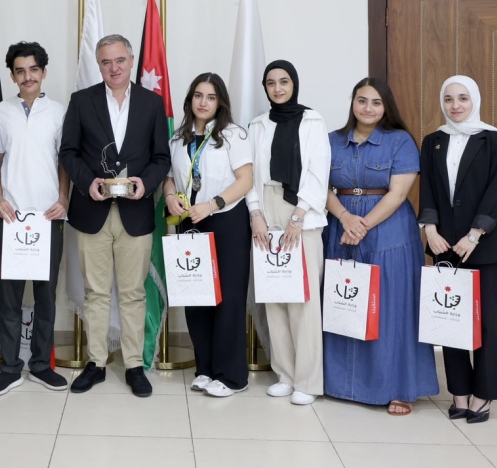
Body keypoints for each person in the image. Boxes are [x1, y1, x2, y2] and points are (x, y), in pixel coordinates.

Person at [59, 34, 171, 398]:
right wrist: (87, 181)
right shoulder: (81, 101)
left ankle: (134, 365)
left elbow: (162, 158)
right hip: (91, 210)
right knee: (95, 292)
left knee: (133, 292)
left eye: (120, 60)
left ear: (132, 60)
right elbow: (68, 152)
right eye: (106, 62)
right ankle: (96, 363)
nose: (114, 68)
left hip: (135, 213)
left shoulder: (152, 103)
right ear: (99, 64)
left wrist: (146, 183)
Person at [322, 78, 439, 415]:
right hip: (341, 227)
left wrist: (362, 226)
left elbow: (398, 194)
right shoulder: (331, 140)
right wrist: (345, 218)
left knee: (391, 307)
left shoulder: (400, 141)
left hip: (389, 233)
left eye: (376, 102)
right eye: (362, 101)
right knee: (344, 301)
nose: (368, 108)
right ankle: (341, 384)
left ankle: (398, 388)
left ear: (386, 106)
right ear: (352, 103)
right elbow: (320, 185)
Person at [419, 75, 497, 424]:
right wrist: (429, 229)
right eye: (448, 99)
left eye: (462, 98)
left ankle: (484, 393)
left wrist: (475, 234)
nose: (455, 105)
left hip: (483, 246)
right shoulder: (433, 141)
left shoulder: (494, 139)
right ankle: (459, 392)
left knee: (485, 322)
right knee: (450, 321)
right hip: (444, 244)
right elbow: (428, 189)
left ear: (474, 100)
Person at [0, 41, 70, 396]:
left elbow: (64, 161)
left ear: (43, 72)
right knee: (9, 297)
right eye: (20, 71)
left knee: (46, 295)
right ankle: (9, 368)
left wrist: (63, 199)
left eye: (33, 69)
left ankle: (40, 366)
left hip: (48, 217)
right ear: (12, 76)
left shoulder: (58, 112)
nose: (27, 76)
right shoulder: (0, 112)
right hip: (9, 217)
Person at [162, 73, 254, 397]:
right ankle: (205, 368)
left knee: (227, 299)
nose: (203, 102)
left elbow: (245, 181)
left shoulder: (233, 134)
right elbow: (171, 178)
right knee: (196, 297)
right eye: (198, 96)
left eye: (211, 97)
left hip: (225, 220)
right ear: (190, 100)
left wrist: (212, 205)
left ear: (220, 102)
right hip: (190, 220)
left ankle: (232, 376)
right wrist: (169, 196)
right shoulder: (178, 137)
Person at [246, 60, 330, 406]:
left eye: (284, 81)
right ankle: (285, 375)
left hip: (301, 209)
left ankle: (308, 381)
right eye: (271, 83)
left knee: (302, 300)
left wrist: (298, 216)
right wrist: (255, 214)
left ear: (294, 84)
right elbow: (250, 174)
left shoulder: (312, 120)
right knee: (274, 293)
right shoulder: (257, 124)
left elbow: (319, 172)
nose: (278, 88)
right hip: (265, 205)